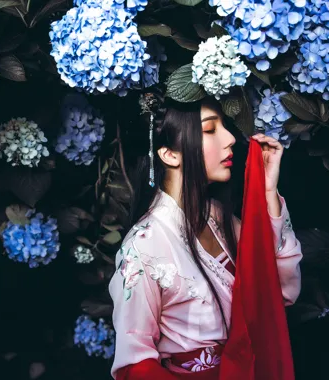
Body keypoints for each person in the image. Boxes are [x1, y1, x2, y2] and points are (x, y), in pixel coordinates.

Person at [108, 92, 302, 379]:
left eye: (223, 126)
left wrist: (267, 192)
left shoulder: (217, 216)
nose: (230, 139)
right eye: (210, 129)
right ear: (169, 154)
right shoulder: (143, 247)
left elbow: (279, 293)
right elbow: (135, 362)